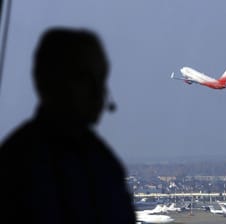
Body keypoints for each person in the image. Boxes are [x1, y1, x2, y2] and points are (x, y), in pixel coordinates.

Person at [0, 28, 135, 223]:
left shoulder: (101, 160)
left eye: (101, 79)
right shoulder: (21, 165)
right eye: (87, 80)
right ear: (52, 82)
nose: (100, 93)